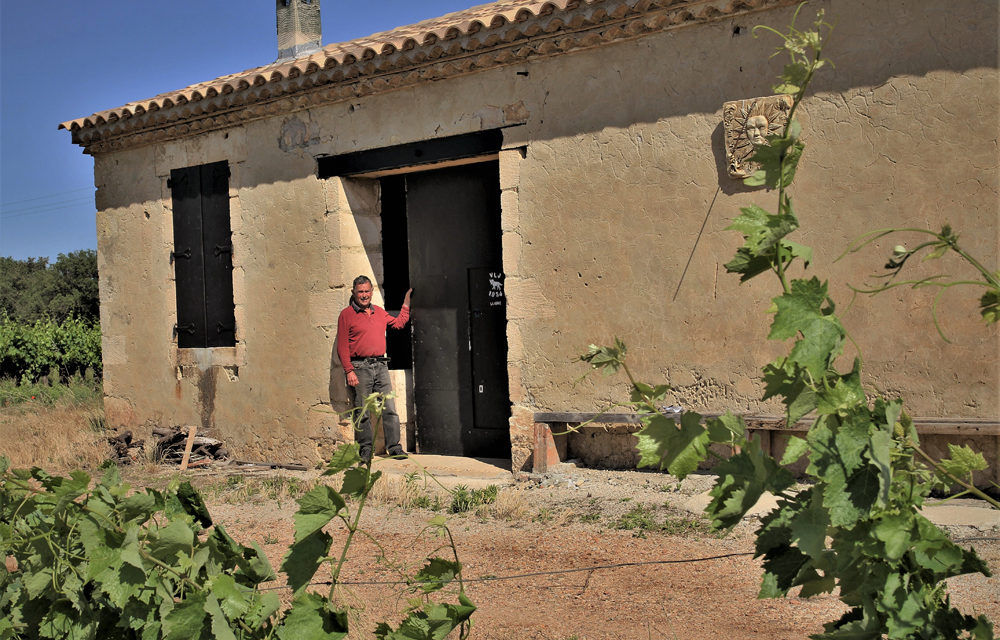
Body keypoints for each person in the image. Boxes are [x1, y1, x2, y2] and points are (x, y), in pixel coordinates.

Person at [336, 275, 413, 463]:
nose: (364, 295)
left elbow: (399, 323)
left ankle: (394, 448)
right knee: (362, 411)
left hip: (381, 366)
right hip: (360, 367)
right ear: (354, 292)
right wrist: (349, 370)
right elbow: (342, 346)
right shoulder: (346, 315)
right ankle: (365, 450)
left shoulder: (379, 312)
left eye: (367, 291)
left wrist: (406, 302)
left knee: (389, 408)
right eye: (360, 292)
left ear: (371, 292)